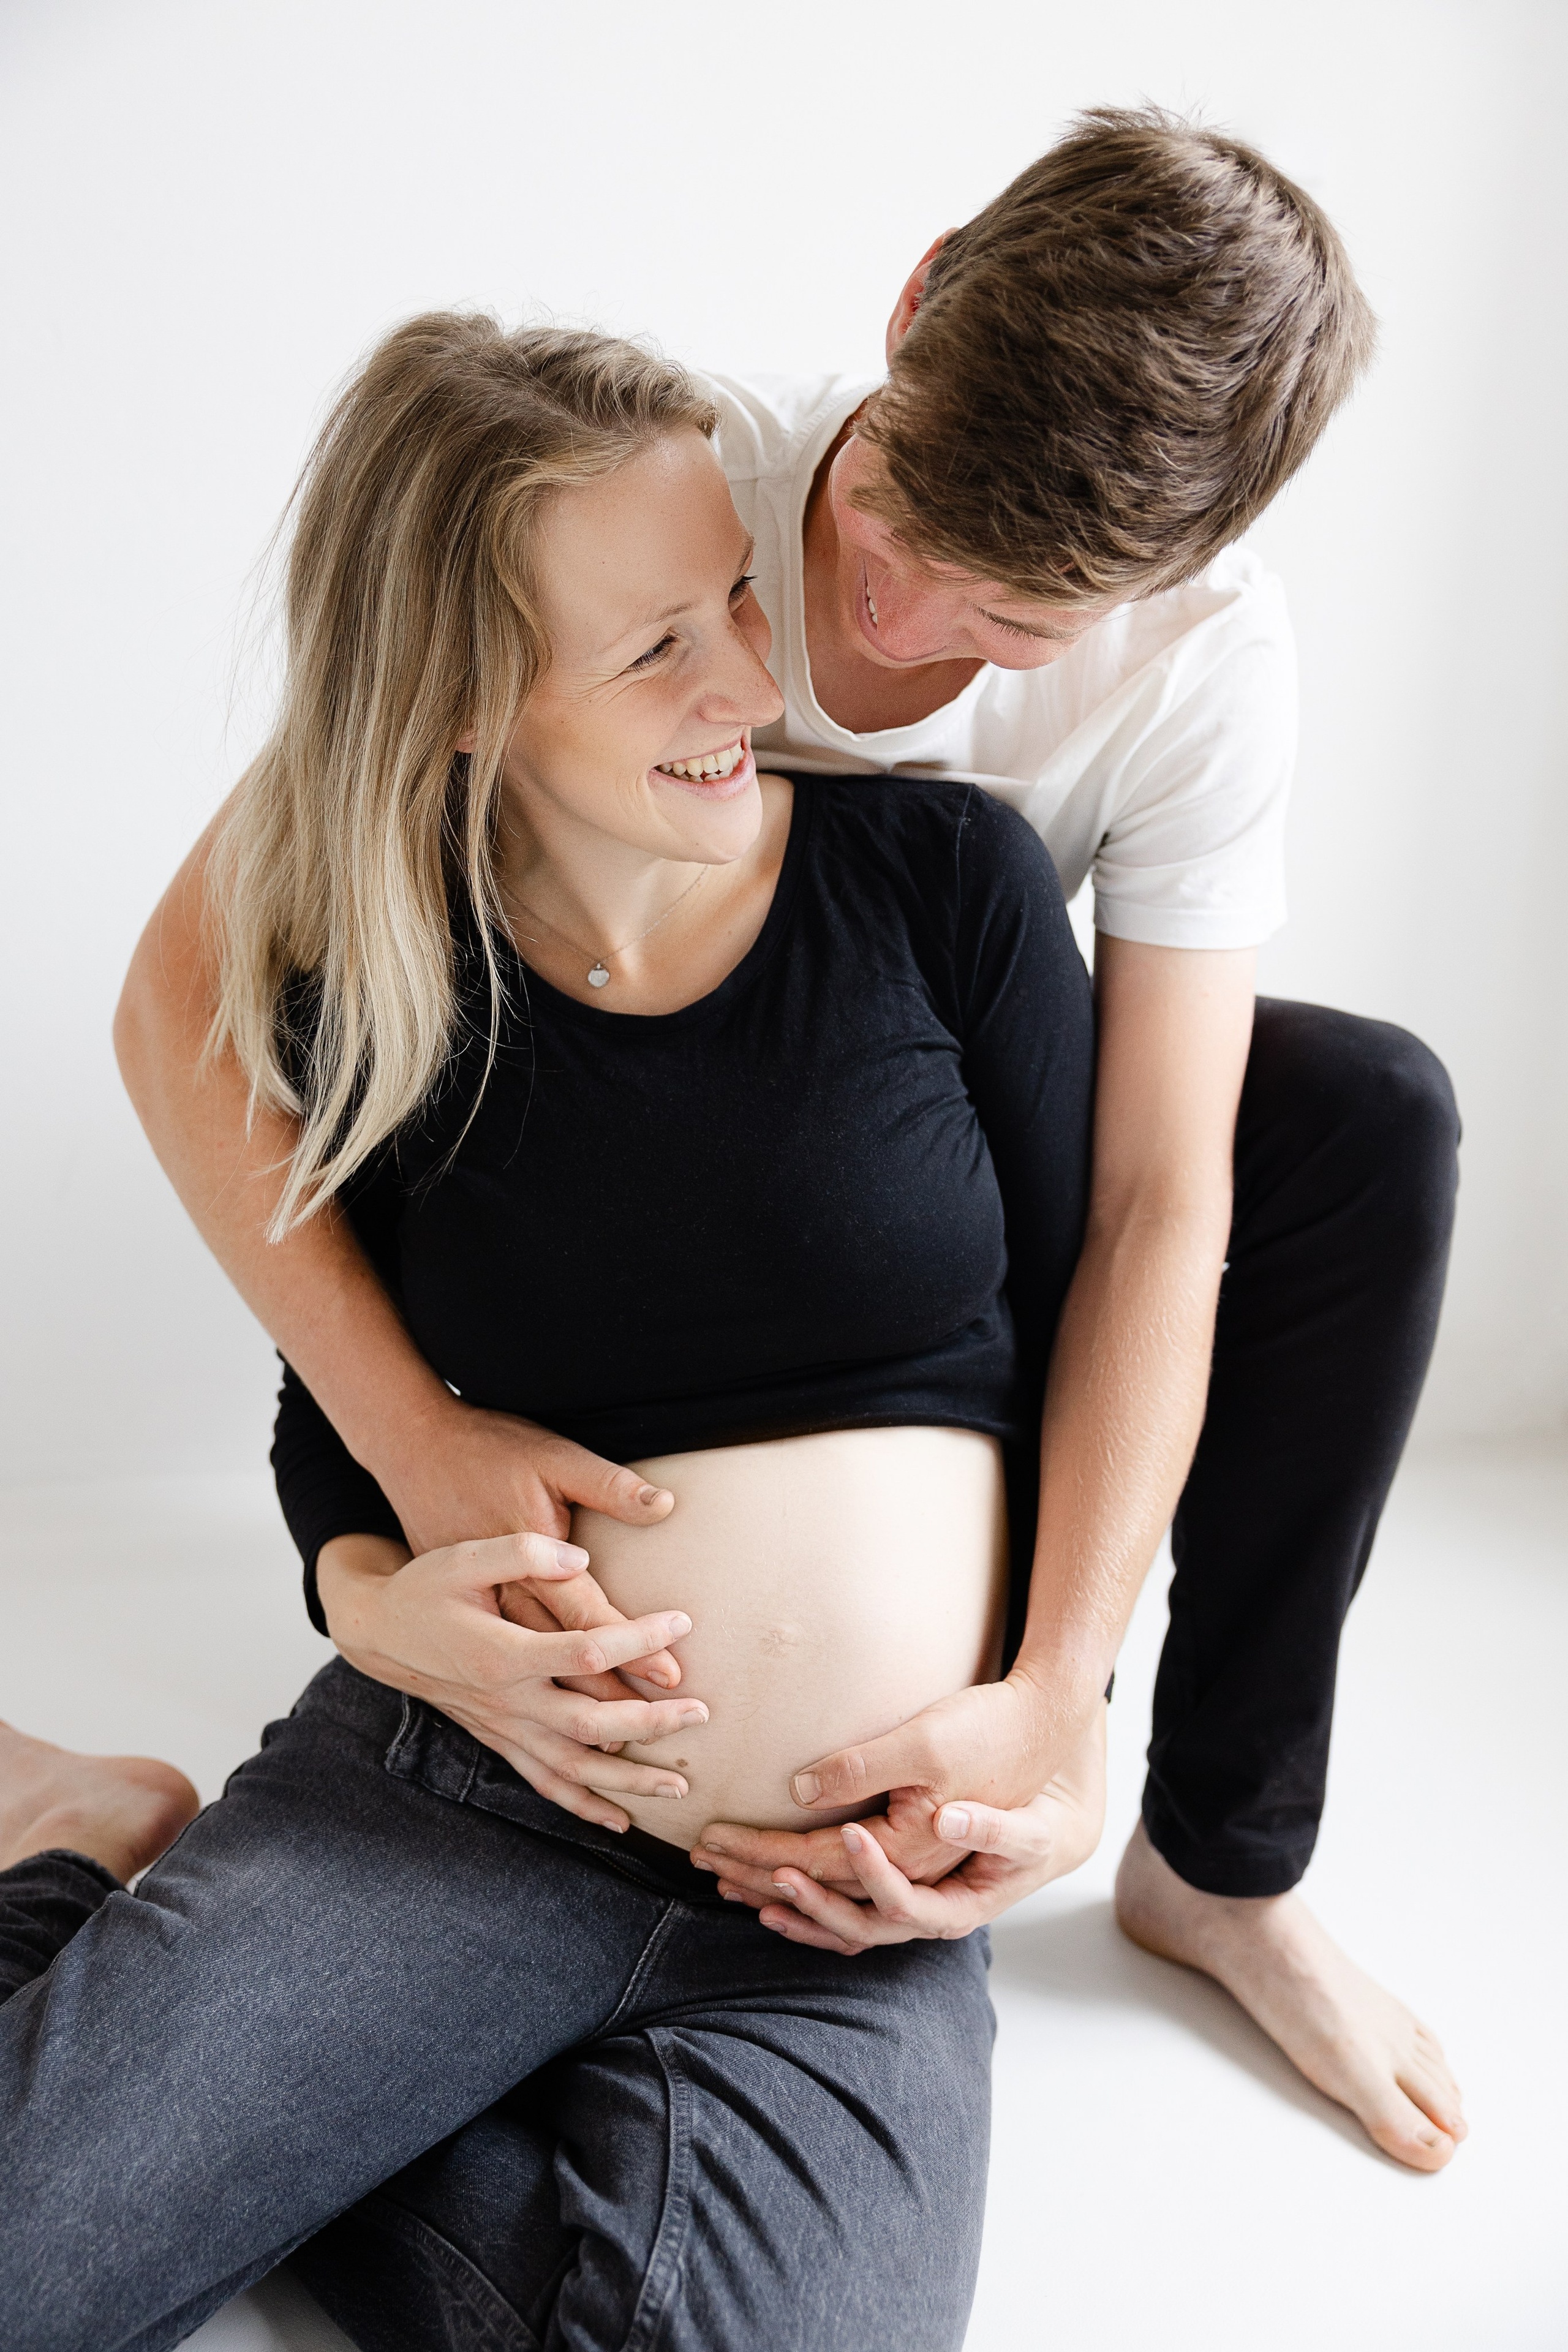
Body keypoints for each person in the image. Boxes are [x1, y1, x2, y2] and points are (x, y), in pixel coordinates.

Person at [104, 108, 1467, 2171]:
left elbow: (1155, 1197)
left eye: (1013, 621)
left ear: (1163, 579)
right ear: (911, 309)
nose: (903, 630)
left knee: (1359, 1119)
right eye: (887, 531)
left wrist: (1061, 1694)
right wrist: (402, 1461)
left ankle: (1224, 1872)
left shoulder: (1203, 660)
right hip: (625, 1068)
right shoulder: (653, 491)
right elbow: (183, 999)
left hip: (933, 1063)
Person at [0, 312, 1105, 2351]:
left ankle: (322, 2099)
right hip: (469, 1795)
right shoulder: (389, 988)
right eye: (656, 646)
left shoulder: (949, 883)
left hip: (840, 1907)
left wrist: (1065, 1718)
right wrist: (364, 1593)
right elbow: (337, 1408)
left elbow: (1084, 1345)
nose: (754, 684)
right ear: (459, 702)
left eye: (738, 600)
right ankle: (79, 1859)